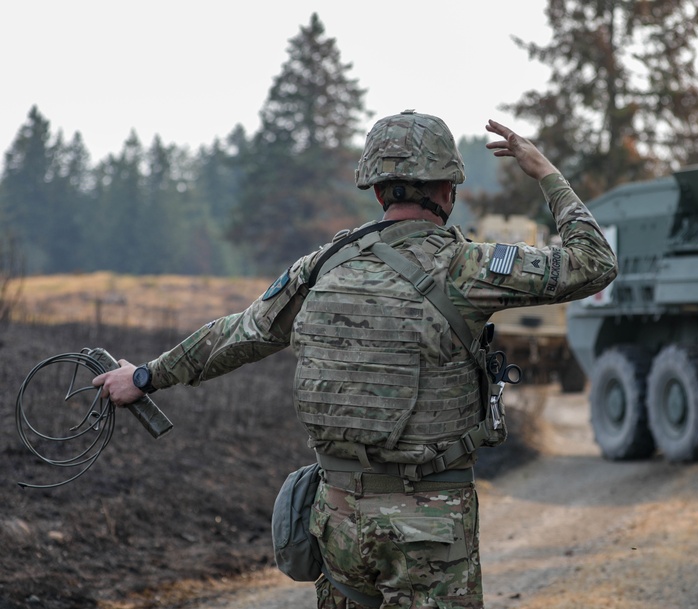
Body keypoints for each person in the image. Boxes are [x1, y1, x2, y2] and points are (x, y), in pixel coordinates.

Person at [93, 110, 618, 609]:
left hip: (339, 519)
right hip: (430, 527)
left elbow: (238, 333)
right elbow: (594, 263)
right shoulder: (467, 266)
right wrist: (545, 172)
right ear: (447, 190)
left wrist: (145, 376)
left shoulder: (322, 265)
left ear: (377, 188)